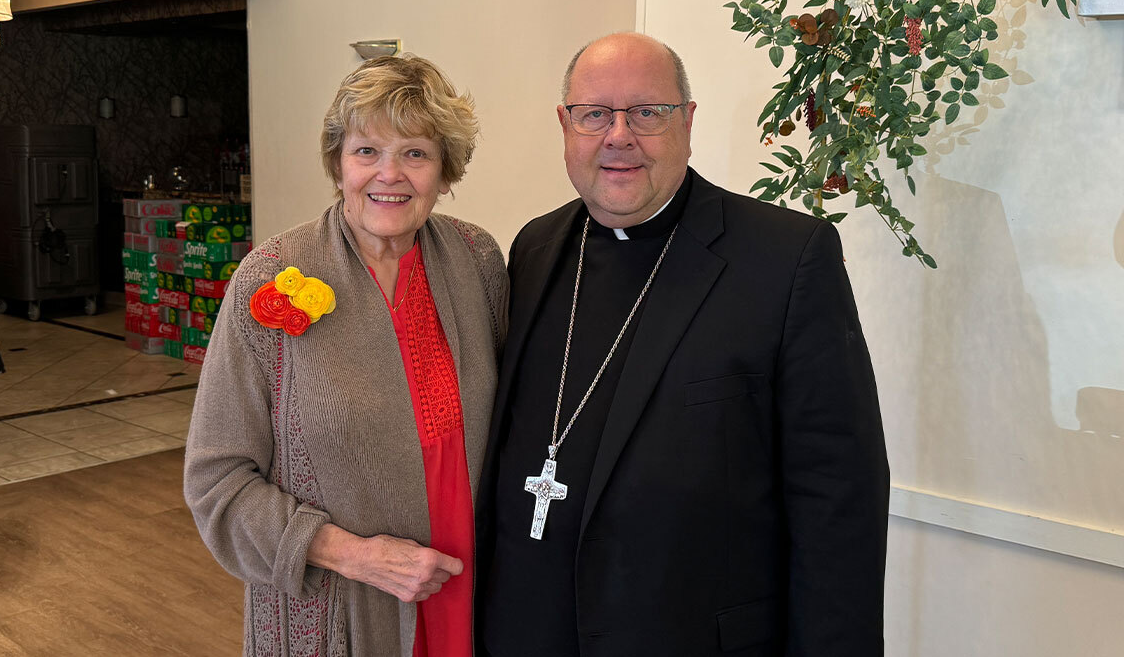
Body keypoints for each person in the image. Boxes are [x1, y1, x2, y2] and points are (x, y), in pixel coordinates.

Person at [475, 33, 889, 656]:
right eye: (595, 114)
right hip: (529, 632)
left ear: (688, 120)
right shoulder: (534, 248)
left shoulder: (785, 257)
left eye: (647, 112)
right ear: (565, 125)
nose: (618, 136)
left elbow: (839, 497)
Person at [185, 55, 507, 657]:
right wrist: (356, 556)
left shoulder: (477, 261)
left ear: (446, 170)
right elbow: (216, 482)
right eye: (366, 152)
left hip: (469, 589)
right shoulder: (271, 277)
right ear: (338, 163)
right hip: (342, 608)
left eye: (415, 153)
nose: (390, 174)